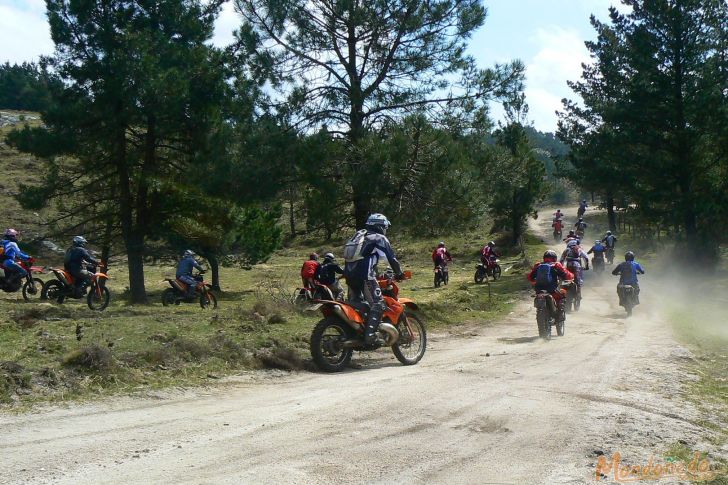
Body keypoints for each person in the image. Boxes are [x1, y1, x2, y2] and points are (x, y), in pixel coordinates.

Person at [344, 213, 404, 344]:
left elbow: (364, 259)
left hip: (349, 276)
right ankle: (370, 336)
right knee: (378, 304)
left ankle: (354, 334)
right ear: (380, 226)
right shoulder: (379, 237)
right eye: (385, 227)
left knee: (359, 306)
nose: (385, 230)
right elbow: (391, 258)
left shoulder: (359, 236)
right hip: (365, 277)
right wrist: (399, 273)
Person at [527, 250, 574, 322]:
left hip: (539, 290)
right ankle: (559, 316)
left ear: (544, 258)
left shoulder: (538, 265)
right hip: (552, 290)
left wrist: (535, 282)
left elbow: (530, 277)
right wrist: (571, 278)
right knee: (562, 296)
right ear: (555, 258)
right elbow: (567, 275)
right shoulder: (556, 265)